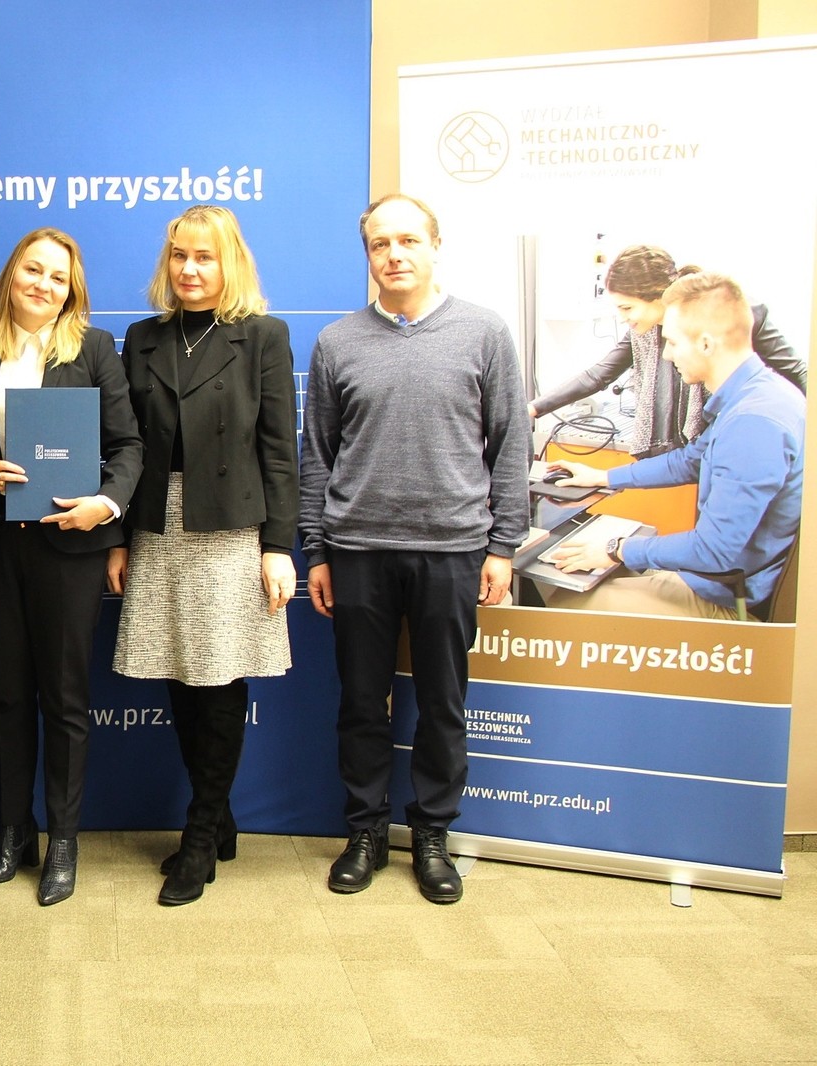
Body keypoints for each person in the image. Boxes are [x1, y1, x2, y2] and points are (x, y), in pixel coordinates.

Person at [300, 193, 530, 905]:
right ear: (367, 255)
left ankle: (432, 835)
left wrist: (504, 545)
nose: (394, 255)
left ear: (435, 246)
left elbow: (511, 444)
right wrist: (317, 551)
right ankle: (365, 832)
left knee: (442, 704)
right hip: (358, 550)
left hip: (453, 550)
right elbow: (317, 455)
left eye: (407, 241)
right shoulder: (338, 342)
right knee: (361, 704)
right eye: (380, 244)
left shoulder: (484, 332)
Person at [0, 229, 143, 906]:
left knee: (65, 699)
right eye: (33, 270)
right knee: (8, 695)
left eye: (58, 277)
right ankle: (12, 832)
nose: (43, 285)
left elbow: (128, 446)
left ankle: (64, 841)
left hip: (69, 549)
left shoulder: (95, 348)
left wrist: (105, 504)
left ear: (71, 290)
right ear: (11, 275)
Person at [109, 205, 297, 907]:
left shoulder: (263, 336)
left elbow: (280, 451)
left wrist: (278, 547)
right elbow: (125, 447)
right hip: (158, 524)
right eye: (180, 256)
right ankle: (218, 819)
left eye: (205, 257)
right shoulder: (143, 337)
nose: (190, 269)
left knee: (217, 680)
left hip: (230, 529)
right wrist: (120, 538)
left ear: (230, 263)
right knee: (180, 676)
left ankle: (198, 834)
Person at [544, 271, 802, 619]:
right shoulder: (757, 396)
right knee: (593, 575)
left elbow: (713, 550)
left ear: (706, 344)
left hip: (731, 601)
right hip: (724, 580)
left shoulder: (753, 423)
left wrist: (617, 548)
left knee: (565, 602)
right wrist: (603, 478)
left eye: (674, 342)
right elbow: (690, 461)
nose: (666, 355)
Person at [529, 244, 804, 457]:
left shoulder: (736, 312)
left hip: (746, 438)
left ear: (658, 296)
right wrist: (533, 408)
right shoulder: (645, 330)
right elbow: (599, 374)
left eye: (627, 307)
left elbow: (797, 373)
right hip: (700, 452)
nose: (622, 318)